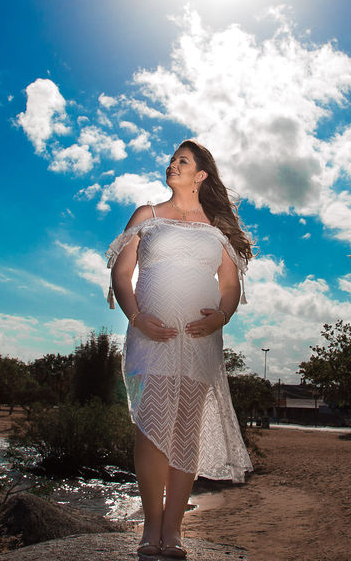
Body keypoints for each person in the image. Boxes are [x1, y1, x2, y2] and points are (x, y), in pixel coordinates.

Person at [105, 140, 254, 558]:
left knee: (186, 430)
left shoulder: (217, 229)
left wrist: (220, 317)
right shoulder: (147, 215)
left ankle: (173, 530)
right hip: (152, 334)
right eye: (172, 160)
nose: (173, 164)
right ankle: (150, 527)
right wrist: (136, 316)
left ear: (201, 174)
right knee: (152, 427)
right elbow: (122, 271)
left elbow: (229, 286)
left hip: (200, 340)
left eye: (182, 161)